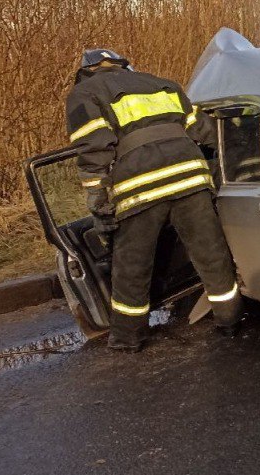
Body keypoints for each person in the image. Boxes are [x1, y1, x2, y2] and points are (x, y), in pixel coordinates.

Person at [66, 48, 241, 351]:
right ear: (125, 65)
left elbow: (93, 147)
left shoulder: (85, 92)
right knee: (212, 256)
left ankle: (127, 338)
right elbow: (204, 129)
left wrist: (97, 197)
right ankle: (230, 320)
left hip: (140, 186)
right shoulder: (163, 84)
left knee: (132, 266)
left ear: (87, 71)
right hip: (190, 176)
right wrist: (238, 149)